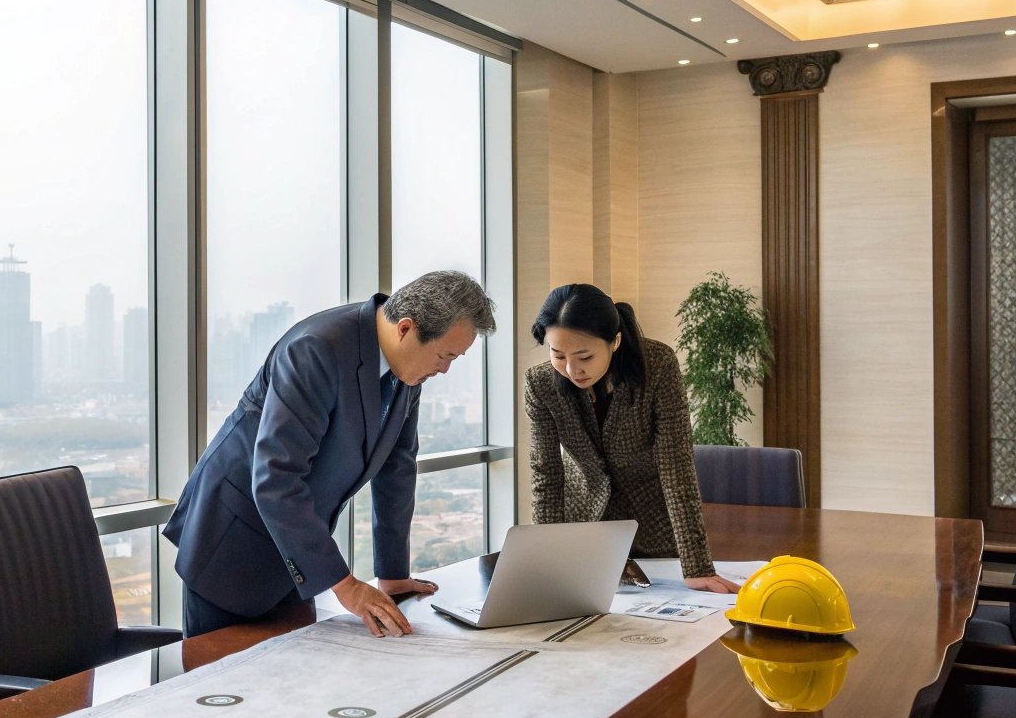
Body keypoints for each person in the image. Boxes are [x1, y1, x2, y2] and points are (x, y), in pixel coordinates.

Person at [164, 270, 497, 638]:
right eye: (444, 355)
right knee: (223, 683)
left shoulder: (407, 370)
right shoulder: (317, 349)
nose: (445, 369)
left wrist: (393, 574)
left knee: (296, 677)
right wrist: (346, 585)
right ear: (405, 329)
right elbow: (276, 478)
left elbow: (396, 468)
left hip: (297, 551)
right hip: (230, 542)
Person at [524, 283, 738, 593]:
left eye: (584, 357)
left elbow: (675, 467)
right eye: (558, 355)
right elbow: (547, 475)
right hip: (584, 534)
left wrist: (697, 567)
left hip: (653, 529)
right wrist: (549, 560)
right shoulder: (540, 383)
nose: (571, 370)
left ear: (615, 341)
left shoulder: (658, 366)